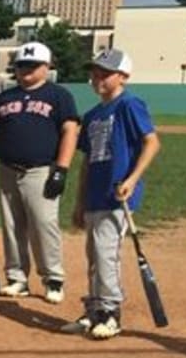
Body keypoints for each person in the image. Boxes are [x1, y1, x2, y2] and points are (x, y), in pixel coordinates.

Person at [0, 42, 79, 303]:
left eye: (33, 65)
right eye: (21, 65)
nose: (26, 70)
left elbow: (70, 131)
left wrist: (61, 170)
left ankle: (53, 278)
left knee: (44, 225)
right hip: (8, 169)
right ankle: (17, 277)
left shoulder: (58, 95)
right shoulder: (5, 98)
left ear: (46, 67)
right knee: (11, 226)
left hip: (41, 170)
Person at [64, 49, 161, 341]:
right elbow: (86, 161)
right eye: (94, 73)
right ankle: (94, 309)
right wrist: (80, 201)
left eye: (105, 74)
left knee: (107, 254)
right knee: (93, 255)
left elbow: (152, 142)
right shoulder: (93, 115)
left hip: (117, 195)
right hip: (95, 193)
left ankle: (110, 313)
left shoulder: (129, 104)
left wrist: (132, 179)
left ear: (123, 76)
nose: (97, 79)